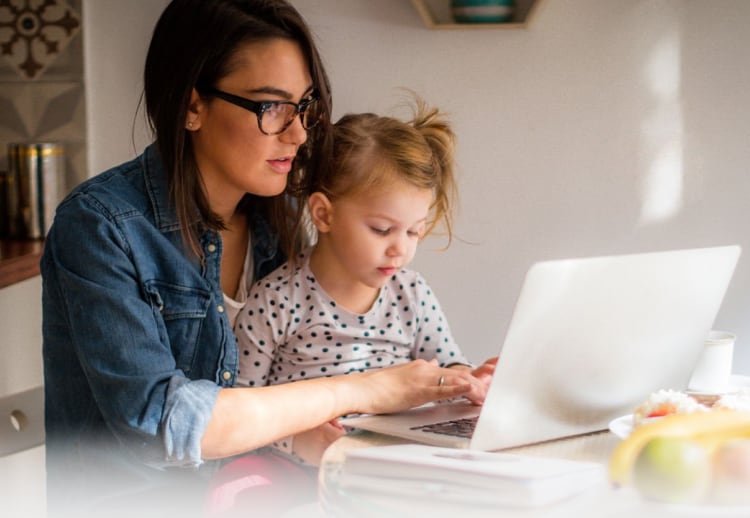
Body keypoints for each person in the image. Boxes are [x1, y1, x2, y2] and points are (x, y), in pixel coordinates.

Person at [40, 1, 484, 516]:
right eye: (270, 107)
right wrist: (365, 389)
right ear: (192, 106)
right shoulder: (101, 226)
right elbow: (163, 423)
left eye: (304, 106)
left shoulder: (286, 215)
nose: (297, 134)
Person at [234, 99, 498, 466]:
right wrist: (297, 440)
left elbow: (447, 365)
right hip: (299, 471)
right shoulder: (277, 301)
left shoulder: (412, 294)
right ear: (324, 214)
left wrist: (468, 381)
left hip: (392, 465)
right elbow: (239, 409)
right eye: (382, 229)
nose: (400, 250)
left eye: (413, 231)